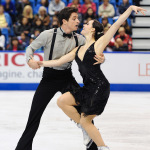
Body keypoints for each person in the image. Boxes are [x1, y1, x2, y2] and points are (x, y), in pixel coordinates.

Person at [37, 5, 146, 150]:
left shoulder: (98, 44)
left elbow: (117, 23)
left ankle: (102, 147)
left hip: (99, 87)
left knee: (86, 121)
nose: (84, 24)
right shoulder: (78, 48)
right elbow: (58, 61)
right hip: (88, 87)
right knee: (62, 101)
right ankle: (84, 129)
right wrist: (39, 63)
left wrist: (131, 8)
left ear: (93, 29)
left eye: (87, 24)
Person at [15, 7, 105, 150]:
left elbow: (94, 48)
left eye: (78, 18)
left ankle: (93, 147)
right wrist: (29, 60)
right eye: (74, 18)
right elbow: (30, 48)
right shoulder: (48, 34)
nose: (78, 21)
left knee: (84, 111)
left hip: (66, 77)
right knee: (34, 115)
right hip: (48, 78)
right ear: (64, 21)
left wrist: (101, 58)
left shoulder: (80, 39)